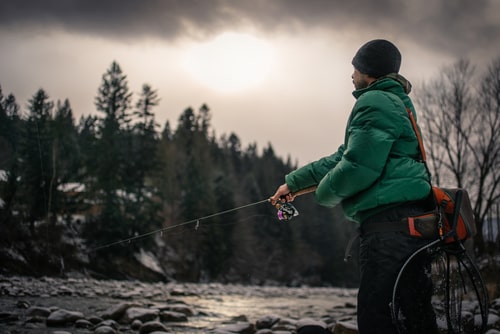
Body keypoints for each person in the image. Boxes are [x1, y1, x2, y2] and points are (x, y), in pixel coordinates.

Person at [271, 39, 438, 333]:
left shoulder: (373, 102)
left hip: (389, 228)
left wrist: (323, 196)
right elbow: (344, 157)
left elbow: (358, 167)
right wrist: (294, 184)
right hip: (409, 224)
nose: (352, 74)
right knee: (413, 316)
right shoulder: (394, 102)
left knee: (378, 318)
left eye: (355, 67)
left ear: (368, 71)